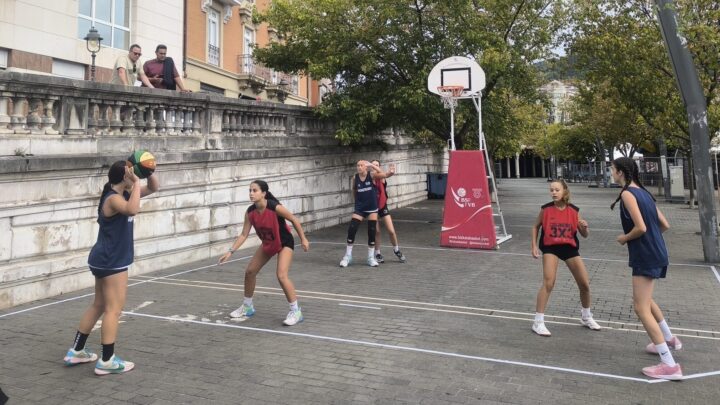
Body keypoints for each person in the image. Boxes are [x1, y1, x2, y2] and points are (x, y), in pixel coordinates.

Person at [63, 161, 160, 375]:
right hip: (112, 260)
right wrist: (134, 182)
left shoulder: (122, 194)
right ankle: (107, 360)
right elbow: (132, 209)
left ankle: (77, 351)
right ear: (124, 178)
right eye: (131, 174)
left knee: (98, 305)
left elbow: (153, 188)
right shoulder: (114, 199)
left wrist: (149, 171)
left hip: (104, 258)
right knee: (113, 310)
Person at [610, 157, 683, 380]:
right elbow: (664, 225)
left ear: (621, 172)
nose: (611, 173)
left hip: (646, 255)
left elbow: (640, 227)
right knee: (646, 300)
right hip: (657, 252)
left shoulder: (627, 194)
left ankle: (669, 365)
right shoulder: (644, 192)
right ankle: (670, 339)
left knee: (640, 308)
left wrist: (625, 238)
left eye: (612, 169)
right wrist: (651, 239)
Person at [218, 180, 310, 326]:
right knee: (250, 272)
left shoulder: (274, 207)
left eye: (254, 190)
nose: (251, 193)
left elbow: (293, 219)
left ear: (264, 193)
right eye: (250, 190)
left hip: (284, 242)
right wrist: (230, 251)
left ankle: (296, 312)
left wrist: (304, 239)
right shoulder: (250, 212)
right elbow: (243, 234)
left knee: (281, 275)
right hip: (269, 243)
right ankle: (247, 307)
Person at [530, 178, 601, 337]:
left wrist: (584, 227)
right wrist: (534, 246)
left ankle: (586, 316)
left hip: (569, 248)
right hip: (550, 248)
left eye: (556, 190)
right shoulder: (546, 209)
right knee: (549, 282)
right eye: (551, 190)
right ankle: (538, 322)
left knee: (585, 284)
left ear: (564, 192)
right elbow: (535, 226)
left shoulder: (574, 211)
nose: (553, 193)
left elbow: (584, 235)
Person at [339, 160, 389, 268]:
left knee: (372, 231)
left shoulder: (372, 175)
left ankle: (371, 257)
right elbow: (354, 189)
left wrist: (371, 165)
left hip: (372, 208)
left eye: (361, 165)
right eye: (358, 165)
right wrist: (356, 201)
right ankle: (348, 256)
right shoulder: (355, 177)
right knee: (352, 229)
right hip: (360, 208)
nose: (359, 167)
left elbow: (383, 174)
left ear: (365, 168)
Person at [370, 160, 406, 264]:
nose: (375, 167)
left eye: (377, 165)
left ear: (379, 167)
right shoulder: (369, 177)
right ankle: (377, 253)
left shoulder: (382, 178)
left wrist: (391, 171)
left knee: (391, 231)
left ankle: (396, 250)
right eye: (373, 165)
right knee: (376, 232)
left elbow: (386, 174)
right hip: (372, 208)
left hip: (382, 206)